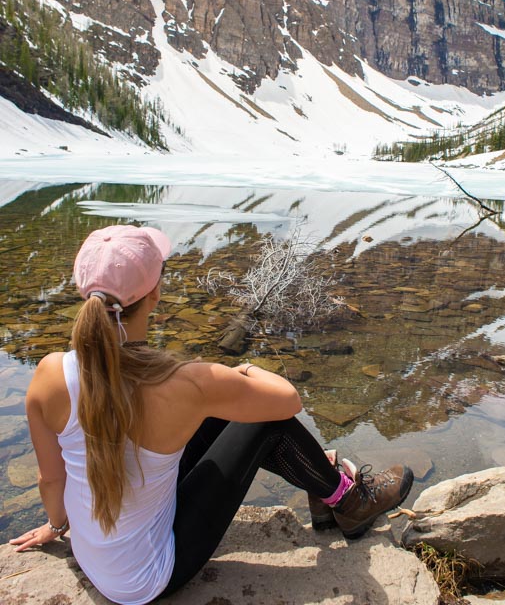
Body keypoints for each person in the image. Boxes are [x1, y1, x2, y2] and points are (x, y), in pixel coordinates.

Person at [10, 224, 413, 605]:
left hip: (92, 557)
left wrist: (58, 527)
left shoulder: (49, 373)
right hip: (150, 579)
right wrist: (243, 372)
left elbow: (51, 477)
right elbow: (287, 400)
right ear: (154, 294)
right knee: (266, 421)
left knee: (218, 415)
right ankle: (350, 500)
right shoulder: (184, 384)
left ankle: (329, 495)